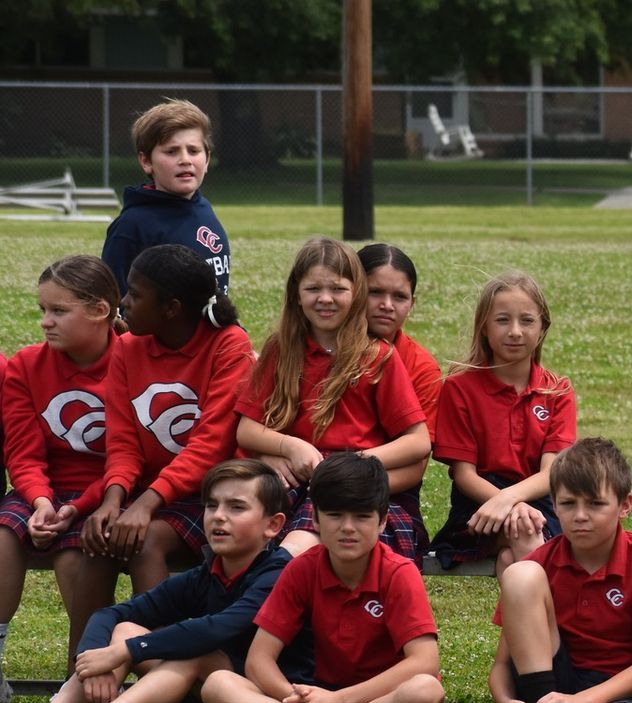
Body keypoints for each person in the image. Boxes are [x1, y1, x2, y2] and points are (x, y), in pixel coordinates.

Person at [2, 460, 290, 703]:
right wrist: (96, 660)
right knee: (125, 628)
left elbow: (215, 629)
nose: (219, 517)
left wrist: (125, 651)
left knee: (195, 654)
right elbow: (111, 613)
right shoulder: (209, 573)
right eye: (212, 505)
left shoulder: (280, 574)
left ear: (273, 525)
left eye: (236, 508)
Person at [201, 452, 445, 703]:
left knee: (425, 692)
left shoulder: (398, 572)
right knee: (218, 685)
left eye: (361, 516)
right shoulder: (302, 568)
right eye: (334, 515)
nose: (347, 527)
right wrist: (300, 700)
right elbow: (259, 660)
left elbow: (424, 662)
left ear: (382, 521)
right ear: (315, 518)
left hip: (379, 699)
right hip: (318, 693)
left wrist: (338, 702)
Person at [234, 238, 430, 562]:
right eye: (313, 289)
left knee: (295, 552)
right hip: (298, 478)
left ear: (356, 296)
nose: (325, 299)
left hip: (358, 483)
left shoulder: (377, 356)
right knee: (242, 535)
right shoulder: (281, 351)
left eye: (338, 289)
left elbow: (418, 441)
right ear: (297, 295)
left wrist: (353, 466)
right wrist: (291, 446)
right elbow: (247, 430)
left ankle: (259, 603)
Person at [489, 438, 632, 703]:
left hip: (618, 693)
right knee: (520, 573)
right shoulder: (540, 562)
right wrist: (507, 701)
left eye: (595, 504)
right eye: (568, 503)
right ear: (554, 504)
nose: (580, 516)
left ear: (625, 504)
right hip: (549, 683)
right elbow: (502, 664)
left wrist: (583, 702)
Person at [90, 244, 253, 595]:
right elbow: (122, 441)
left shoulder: (228, 344)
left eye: (135, 294)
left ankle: (151, 648)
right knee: (93, 543)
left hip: (210, 492)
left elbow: (212, 446)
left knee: (144, 542)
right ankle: (85, 651)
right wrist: (113, 500)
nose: (124, 301)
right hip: (153, 491)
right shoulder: (127, 346)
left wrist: (146, 506)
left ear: (171, 309)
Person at [0, 256, 124, 680]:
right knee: (2, 535)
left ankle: (86, 674)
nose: (45, 323)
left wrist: (80, 506)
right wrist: (38, 502)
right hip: (44, 492)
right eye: (42, 311)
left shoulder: (133, 362)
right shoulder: (25, 366)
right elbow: (23, 451)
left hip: (111, 494)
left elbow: (130, 458)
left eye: (58, 311)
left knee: (75, 557)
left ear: (99, 310)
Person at [428, 271, 574, 571]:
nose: (516, 331)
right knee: (524, 531)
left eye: (527, 320)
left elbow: (551, 474)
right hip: (479, 506)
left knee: (513, 555)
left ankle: (531, 618)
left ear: (543, 328)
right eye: (503, 320)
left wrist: (512, 501)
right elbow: (465, 475)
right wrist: (509, 505)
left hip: (539, 503)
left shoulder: (557, 390)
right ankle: (558, 619)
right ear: (484, 327)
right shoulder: (459, 388)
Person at [101, 99, 232, 295]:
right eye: (171, 151)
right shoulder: (132, 226)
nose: (185, 160)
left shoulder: (203, 207)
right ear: (146, 161)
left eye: (194, 151)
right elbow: (112, 301)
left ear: (207, 159)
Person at [358, 244, 442, 441]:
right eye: (375, 292)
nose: (387, 305)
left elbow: (417, 459)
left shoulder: (422, 368)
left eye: (399, 297)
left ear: (412, 304)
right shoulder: (320, 347)